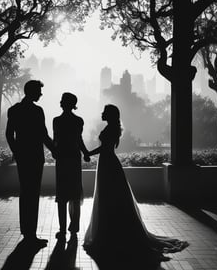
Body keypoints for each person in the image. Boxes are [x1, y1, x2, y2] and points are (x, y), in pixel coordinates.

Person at [83, 104, 189, 265]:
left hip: (108, 164)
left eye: (104, 112)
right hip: (108, 163)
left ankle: (109, 234)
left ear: (110, 115)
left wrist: (87, 153)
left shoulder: (110, 128)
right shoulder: (112, 127)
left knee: (108, 197)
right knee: (111, 197)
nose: (102, 113)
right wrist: (89, 153)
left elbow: (104, 148)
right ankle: (112, 232)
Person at [6, 80, 55, 247]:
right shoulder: (37, 111)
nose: (41, 94)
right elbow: (44, 135)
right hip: (35, 157)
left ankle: (26, 232)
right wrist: (56, 150)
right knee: (33, 194)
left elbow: (8, 134)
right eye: (39, 91)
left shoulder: (14, 110)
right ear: (32, 92)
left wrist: (17, 152)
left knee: (25, 192)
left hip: (23, 157)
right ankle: (31, 234)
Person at [53, 92, 90, 241]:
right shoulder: (78, 121)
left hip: (62, 158)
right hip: (74, 158)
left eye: (62, 100)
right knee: (75, 193)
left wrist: (55, 152)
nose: (60, 102)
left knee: (62, 195)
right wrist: (86, 153)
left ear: (65, 103)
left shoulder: (56, 121)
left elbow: (55, 140)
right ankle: (74, 225)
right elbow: (79, 140)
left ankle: (62, 229)